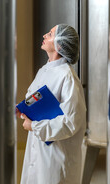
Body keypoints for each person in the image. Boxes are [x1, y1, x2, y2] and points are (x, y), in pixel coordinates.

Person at [17, 24, 87, 184]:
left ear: (59, 45)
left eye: (49, 34)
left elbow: (71, 122)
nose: (44, 35)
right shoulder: (44, 70)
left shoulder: (67, 78)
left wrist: (34, 126)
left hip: (56, 157)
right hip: (38, 150)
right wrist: (25, 110)